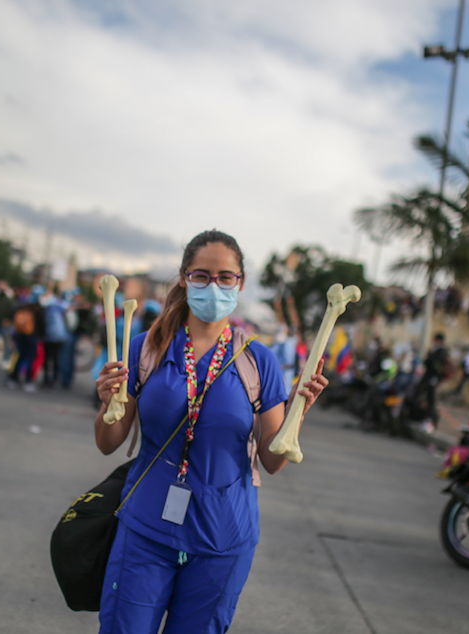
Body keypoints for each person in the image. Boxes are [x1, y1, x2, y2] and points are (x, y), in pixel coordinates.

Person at [93, 230, 328, 633]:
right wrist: (106, 404)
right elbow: (108, 443)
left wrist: (297, 413)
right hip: (146, 530)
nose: (212, 285)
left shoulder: (259, 361)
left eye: (225, 277)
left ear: (240, 283)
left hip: (224, 539)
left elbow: (273, 461)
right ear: (184, 278)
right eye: (201, 275)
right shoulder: (145, 349)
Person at [422, 333, 450, 429]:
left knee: (432, 402)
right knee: (429, 401)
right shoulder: (437, 352)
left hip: (434, 380)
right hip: (430, 379)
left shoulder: (441, 353)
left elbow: (436, 367)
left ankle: (431, 422)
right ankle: (427, 419)